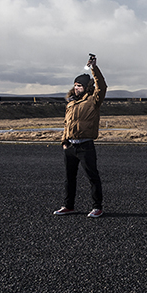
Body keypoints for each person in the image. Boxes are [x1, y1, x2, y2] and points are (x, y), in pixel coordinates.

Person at [53, 54, 108, 218]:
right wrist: (64, 142)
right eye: (75, 85)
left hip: (85, 146)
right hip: (70, 146)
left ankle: (97, 207)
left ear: (86, 86)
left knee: (92, 177)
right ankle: (68, 206)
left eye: (80, 85)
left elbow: (102, 86)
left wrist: (94, 68)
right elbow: (67, 123)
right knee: (69, 178)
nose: (76, 88)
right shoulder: (71, 102)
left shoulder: (93, 100)